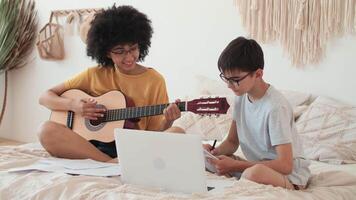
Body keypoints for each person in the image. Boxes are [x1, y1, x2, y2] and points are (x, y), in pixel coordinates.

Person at [38, 5, 181, 162]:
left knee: (177, 132)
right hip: (88, 145)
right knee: (45, 129)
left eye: (133, 48)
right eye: (119, 51)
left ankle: (108, 161)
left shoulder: (154, 80)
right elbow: (45, 97)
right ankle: (108, 162)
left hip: (132, 146)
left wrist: (168, 120)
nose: (129, 57)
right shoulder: (93, 74)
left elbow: (156, 134)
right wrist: (73, 105)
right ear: (106, 52)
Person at [167, 37, 310, 190]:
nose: (229, 85)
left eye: (235, 80)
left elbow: (285, 165)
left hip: (289, 177)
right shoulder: (241, 97)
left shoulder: (275, 107)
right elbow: (232, 142)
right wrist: (214, 152)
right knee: (200, 155)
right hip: (254, 167)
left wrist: (236, 165)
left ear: (258, 74)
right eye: (225, 78)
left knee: (253, 174)